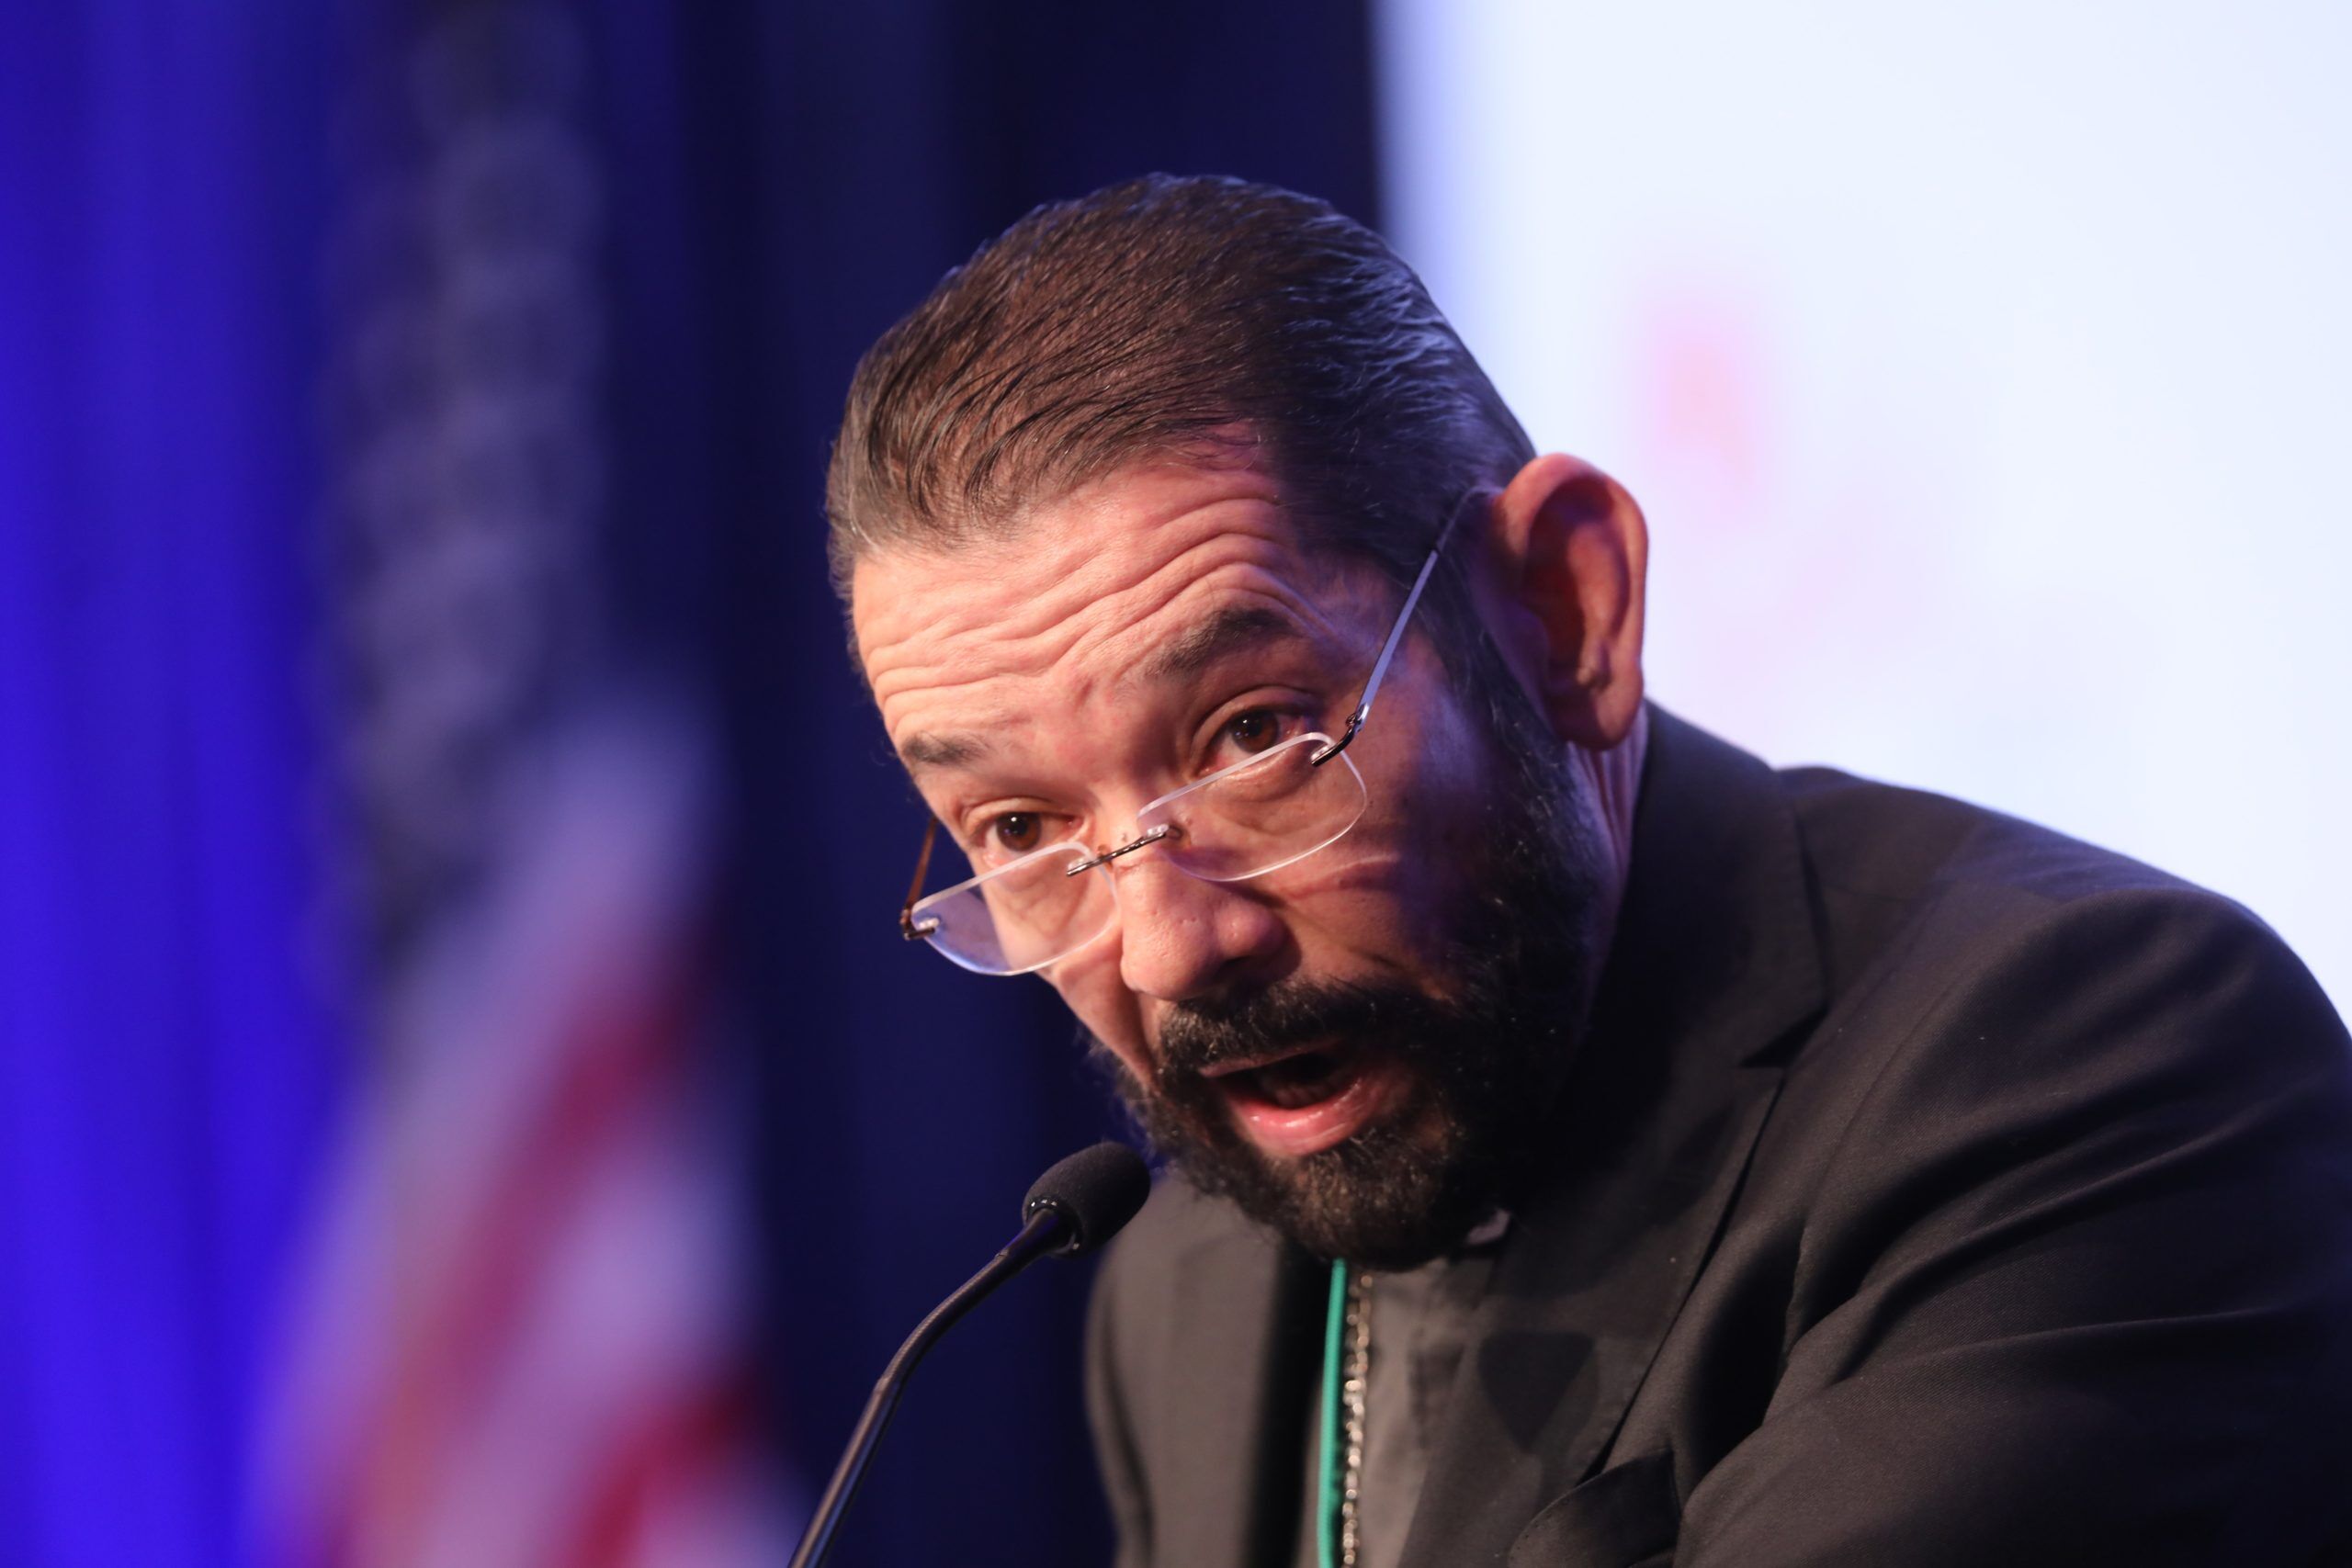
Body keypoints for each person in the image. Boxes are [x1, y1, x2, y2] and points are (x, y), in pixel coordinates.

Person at [825, 175, 2352, 1567]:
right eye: (1021, 832)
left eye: (1254, 733)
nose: (1164, 947)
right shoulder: (1184, 1291)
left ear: (1565, 612)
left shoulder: (2085, 1068)